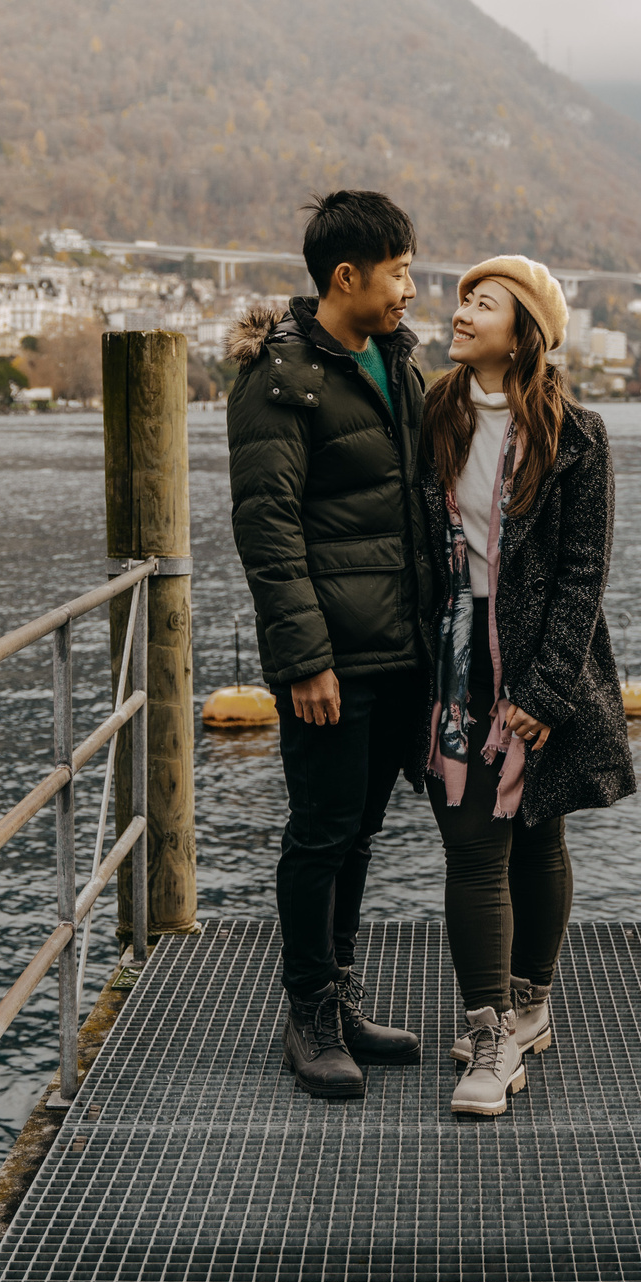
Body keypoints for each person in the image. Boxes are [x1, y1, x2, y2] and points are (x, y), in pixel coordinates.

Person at [416, 258, 634, 1119]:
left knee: (540, 832)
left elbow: (586, 574)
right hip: (453, 659)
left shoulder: (578, 433)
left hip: (545, 659)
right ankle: (490, 1035)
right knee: (473, 842)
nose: (463, 310)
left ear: (527, 328)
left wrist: (544, 693)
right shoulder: (434, 410)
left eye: (485, 301)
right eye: (463, 297)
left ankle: (532, 1001)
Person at [225, 190, 430, 1100]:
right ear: (347, 276)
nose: (413, 290)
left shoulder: (396, 359)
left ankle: (340, 995)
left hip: (399, 647)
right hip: (332, 657)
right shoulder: (281, 378)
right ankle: (306, 1009)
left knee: (360, 832)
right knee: (318, 833)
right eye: (400, 272)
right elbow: (267, 529)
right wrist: (304, 659)